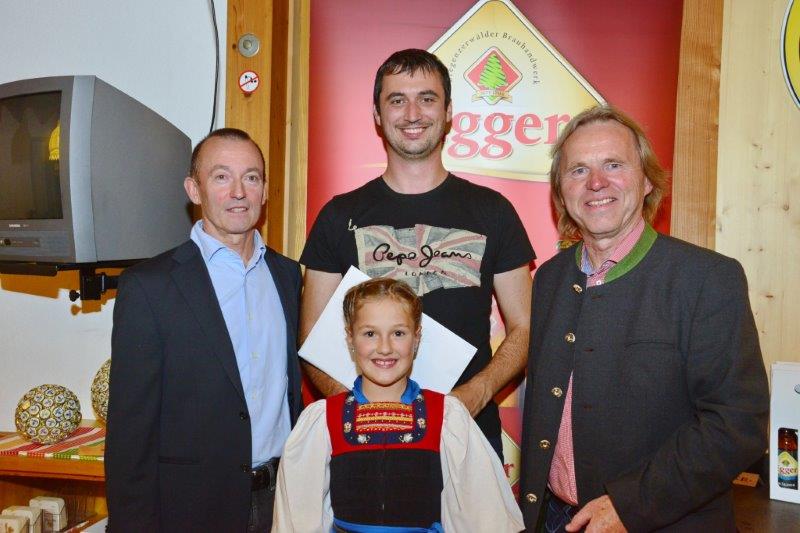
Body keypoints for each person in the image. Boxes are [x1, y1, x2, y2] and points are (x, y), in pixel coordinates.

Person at [518, 105, 770, 532]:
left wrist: (629, 506)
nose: (596, 182)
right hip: (554, 518)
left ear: (648, 179)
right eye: (578, 170)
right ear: (561, 192)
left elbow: (737, 424)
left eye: (613, 165)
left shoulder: (707, 278)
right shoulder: (549, 279)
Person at [299, 49, 535, 457]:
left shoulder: (493, 211)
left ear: (448, 112)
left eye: (427, 98)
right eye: (397, 100)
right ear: (377, 114)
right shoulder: (338, 216)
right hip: (364, 442)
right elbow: (311, 339)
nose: (412, 113)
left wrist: (476, 394)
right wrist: (359, 410)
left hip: (466, 436)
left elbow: (526, 327)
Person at [105, 128, 303, 532]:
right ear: (194, 190)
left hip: (281, 501)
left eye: (251, 177)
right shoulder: (149, 287)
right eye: (221, 177)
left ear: (265, 190)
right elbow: (130, 434)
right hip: (192, 510)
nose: (239, 192)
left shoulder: (287, 276)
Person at [273, 278, 524, 532]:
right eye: (370, 334)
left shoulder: (447, 417)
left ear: (416, 338)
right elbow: (298, 519)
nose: (385, 348)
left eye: (398, 333)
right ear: (350, 338)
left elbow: (483, 517)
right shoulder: (324, 419)